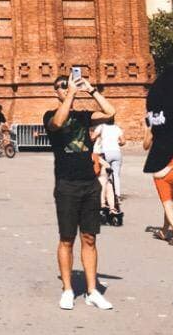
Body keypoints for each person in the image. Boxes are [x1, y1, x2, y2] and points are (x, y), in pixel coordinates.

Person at [44, 74, 116, 310]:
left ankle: (92, 290)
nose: (66, 89)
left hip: (89, 183)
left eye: (68, 85)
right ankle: (67, 289)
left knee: (90, 238)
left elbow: (110, 111)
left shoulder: (85, 116)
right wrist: (72, 94)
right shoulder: (50, 116)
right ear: (57, 92)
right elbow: (58, 122)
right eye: (62, 87)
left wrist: (92, 90)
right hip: (66, 184)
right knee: (67, 238)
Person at [143, 111, 173, 245]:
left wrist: (146, 129)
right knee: (169, 204)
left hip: (162, 171)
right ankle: (165, 231)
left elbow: (145, 146)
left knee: (167, 205)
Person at [93, 117, 125, 199]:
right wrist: (118, 144)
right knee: (116, 175)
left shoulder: (101, 127)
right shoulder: (117, 128)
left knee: (103, 175)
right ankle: (117, 195)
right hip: (116, 152)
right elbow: (123, 141)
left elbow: (92, 137)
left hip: (105, 152)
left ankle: (103, 195)